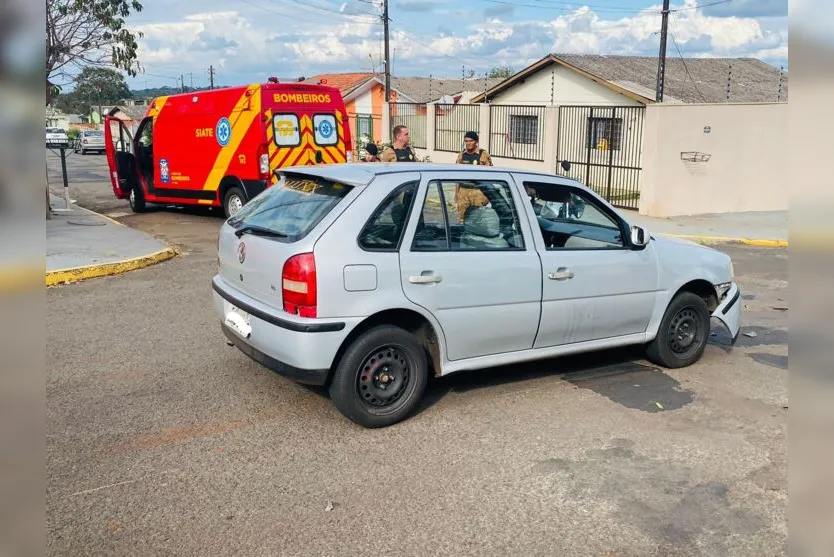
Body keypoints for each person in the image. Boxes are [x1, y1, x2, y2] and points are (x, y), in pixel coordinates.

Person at [453, 131, 492, 221]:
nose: (468, 143)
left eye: (471, 141)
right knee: (462, 219)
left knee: (477, 219)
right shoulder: (461, 155)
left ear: (476, 142)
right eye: (466, 141)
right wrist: (456, 193)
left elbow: (490, 175)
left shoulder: (483, 154)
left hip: (477, 191)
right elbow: (457, 175)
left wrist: (488, 195)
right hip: (463, 191)